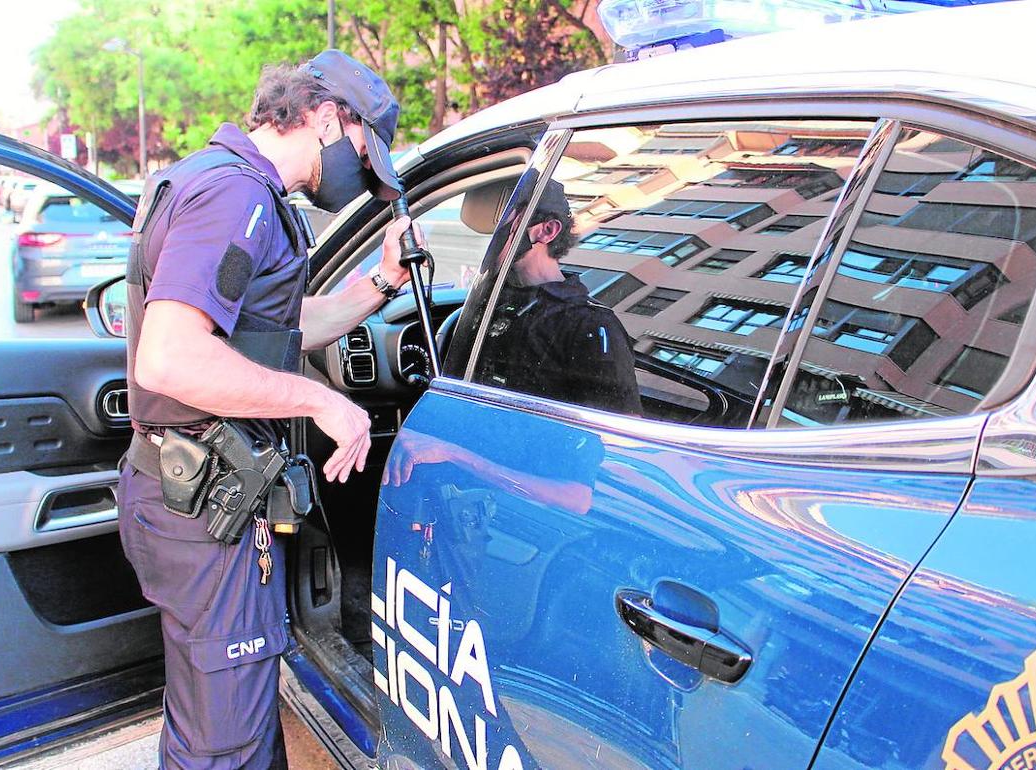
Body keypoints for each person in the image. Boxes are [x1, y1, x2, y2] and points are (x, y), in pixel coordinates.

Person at [116, 50, 415, 769]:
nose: (359, 184)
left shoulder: (217, 181)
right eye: (364, 162)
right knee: (227, 748)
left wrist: (379, 283)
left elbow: (267, 330)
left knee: (210, 719)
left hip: (189, 498)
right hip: (206, 512)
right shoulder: (236, 198)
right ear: (323, 120)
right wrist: (323, 400)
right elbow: (173, 357)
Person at [477, 179, 643, 416]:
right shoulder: (490, 299)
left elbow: (616, 432)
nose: (489, 238)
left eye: (501, 224)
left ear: (547, 230)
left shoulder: (590, 325)